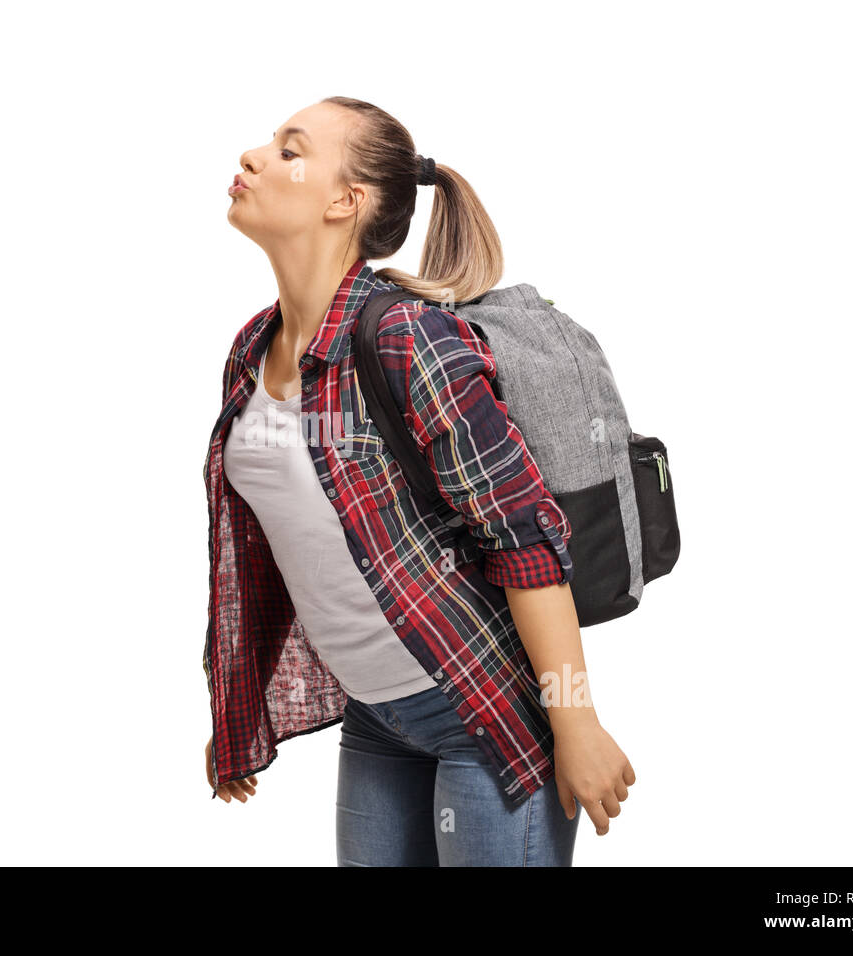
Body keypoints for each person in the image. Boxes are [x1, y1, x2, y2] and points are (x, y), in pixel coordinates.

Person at [203, 96, 635, 866]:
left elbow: (525, 538)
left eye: (290, 150)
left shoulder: (406, 337)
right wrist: (239, 715)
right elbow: (271, 555)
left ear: (346, 202)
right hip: (378, 717)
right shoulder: (251, 349)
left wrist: (575, 720)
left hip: (486, 713)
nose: (253, 156)